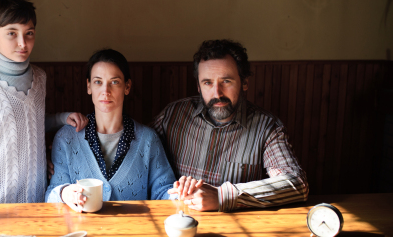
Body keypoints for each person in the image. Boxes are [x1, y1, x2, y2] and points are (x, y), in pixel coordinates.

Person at [0, 0, 88, 228]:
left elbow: (27, 123)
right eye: (12, 33)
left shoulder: (40, 78)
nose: (22, 43)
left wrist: (60, 118)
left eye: (29, 33)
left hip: (37, 203)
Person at [153, 39, 309, 212]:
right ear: (198, 86)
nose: (217, 93)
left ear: (244, 83)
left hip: (236, 228)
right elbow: (140, 156)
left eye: (226, 81)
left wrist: (223, 196)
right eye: (207, 83)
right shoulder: (172, 116)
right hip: (179, 223)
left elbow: (296, 184)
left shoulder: (267, 127)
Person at [46, 49, 176, 211]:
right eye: (98, 82)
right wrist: (64, 193)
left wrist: (182, 194)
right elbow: (52, 194)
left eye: (114, 82)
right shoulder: (66, 138)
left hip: (134, 233)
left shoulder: (148, 139)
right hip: (81, 233)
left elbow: (164, 190)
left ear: (127, 87)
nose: (105, 91)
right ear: (89, 86)